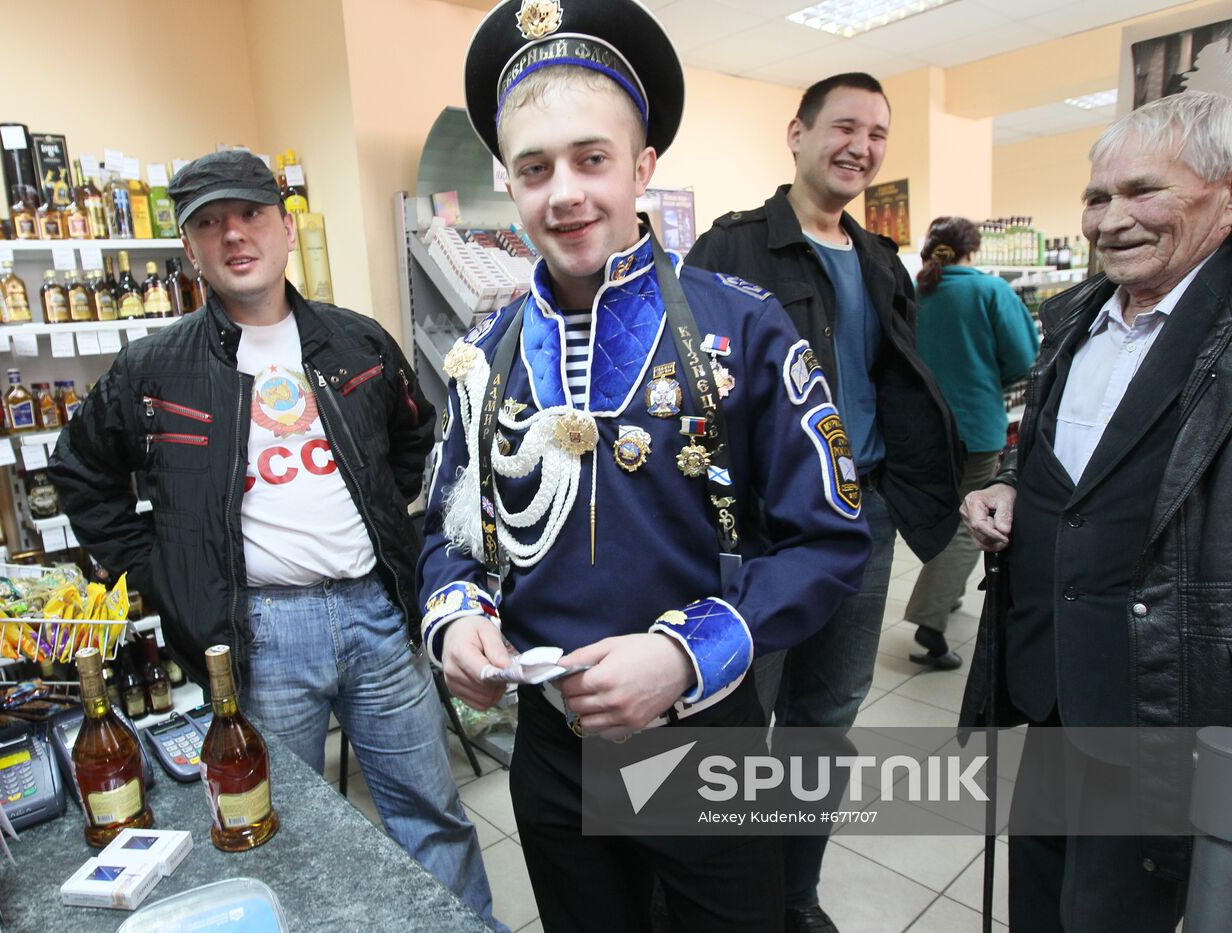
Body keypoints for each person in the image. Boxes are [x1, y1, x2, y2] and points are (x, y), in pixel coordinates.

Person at [419, 0, 871, 928]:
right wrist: (454, 615)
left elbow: (830, 539)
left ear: (643, 166)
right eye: (536, 169)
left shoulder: (742, 327)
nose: (566, 193)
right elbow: (448, 529)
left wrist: (683, 653)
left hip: (699, 739)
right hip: (551, 749)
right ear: (511, 182)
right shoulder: (486, 349)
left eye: (592, 158)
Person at [46, 150, 499, 926]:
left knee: (434, 817)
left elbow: (416, 440)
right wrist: (160, 574)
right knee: (279, 833)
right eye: (209, 223)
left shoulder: (357, 343)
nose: (234, 235)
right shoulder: (155, 370)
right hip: (258, 632)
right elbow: (81, 473)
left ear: (286, 229)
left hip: (376, 616)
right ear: (188, 247)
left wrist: (376, 517)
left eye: (251, 214)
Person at [685, 72, 963, 933]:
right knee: (733, 717)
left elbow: (901, 385)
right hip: (763, 530)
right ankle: (714, 895)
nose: (862, 147)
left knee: (824, 719)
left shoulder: (880, 258)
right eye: (845, 127)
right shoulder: (732, 249)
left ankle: (791, 893)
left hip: (864, 520)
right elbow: (688, 390)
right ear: (797, 133)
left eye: (878, 134)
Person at [959, 90, 1232, 932]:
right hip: (1045, 676)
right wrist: (1007, 477)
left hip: (1155, 694)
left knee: (1118, 907)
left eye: (1143, 191)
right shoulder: (1072, 314)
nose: (1110, 220)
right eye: (1095, 197)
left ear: (1223, 195)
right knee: (1040, 890)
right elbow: (1056, 450)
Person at [904, 217, 1039, 669]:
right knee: (968, 524)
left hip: (922, 429)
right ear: (971, 251)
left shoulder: (913, 293)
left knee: (940, 514)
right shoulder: (990, 291)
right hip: (977, 428)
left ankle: (946, 596)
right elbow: (1024, 359)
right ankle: (929, 620)